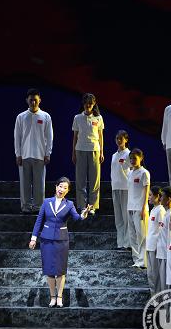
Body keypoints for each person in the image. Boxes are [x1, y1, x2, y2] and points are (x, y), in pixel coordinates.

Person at [29, 177, 92, 308]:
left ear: (67, 191)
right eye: (60, 186)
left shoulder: (69, 204)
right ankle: (52, 297)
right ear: (56, 187)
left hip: (61, 241)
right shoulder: (46, 202)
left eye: (65, 188)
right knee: (49, 270)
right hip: (46, 240)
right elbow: (39, 221)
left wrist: (84, 214)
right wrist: (33, 238)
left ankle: (59, 297)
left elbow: (77, 218)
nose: (62, 189)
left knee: (60, 270)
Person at [14, 88, 53, 213]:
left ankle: (38, 207)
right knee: (24, 184)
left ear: (39, 100)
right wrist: (18, 154)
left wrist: (48, 153)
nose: (33, 102)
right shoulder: (21, 117)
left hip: (40, 155)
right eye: (31, 100)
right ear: (27, 100)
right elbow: (17, 137)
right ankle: (25, 206)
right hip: (24, 155)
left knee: (39, 184)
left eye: (35, 100)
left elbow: (49, 136)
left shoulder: (45, 116)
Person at [72, 93, 104, 213]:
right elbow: (75, 137)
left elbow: (101, 136)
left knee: (95, 180)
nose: (88, 105)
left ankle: (92, 206)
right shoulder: (77, 118)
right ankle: (81, 205)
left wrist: (101, 152)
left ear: (94, 104)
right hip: (80, 150)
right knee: (80, 180)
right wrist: (73, 153)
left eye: (90, 103)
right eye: (86, 103)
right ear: (83, 104)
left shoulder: (98, 118)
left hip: (95, 150)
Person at [126, 148, 150, 268]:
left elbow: (146, 191)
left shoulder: (144, 173)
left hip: (140, 208)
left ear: (141, 158)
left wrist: (144, 208)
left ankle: (143, 261)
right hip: (130, 207)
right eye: (131, 158)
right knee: (132, 236)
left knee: (142, 236)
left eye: (134, 158)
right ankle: (136, 260)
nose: (132, 160)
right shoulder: (130, 173)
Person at [110, 130, 131, 250]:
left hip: (125, 188)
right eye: (117, 138)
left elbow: (132, 171)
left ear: (126, 140)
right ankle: (120, 243)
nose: (118, 141)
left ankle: (127, 243)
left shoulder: (128, 154)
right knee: (118, 218)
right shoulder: (114, 155)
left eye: (121, 138)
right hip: (115, 188)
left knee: (126, 216)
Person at [157, 187, 171, 293]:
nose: (160, 198)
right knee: (162, 285)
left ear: (168, 199)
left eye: (162, 196)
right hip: (162, 254)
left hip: (166, 256)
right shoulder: (167, 213)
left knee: (166, 287)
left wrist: (169, 257)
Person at [145, 186, 165, 295]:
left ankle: (158, 298)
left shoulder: (161, 210)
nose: (148, 197)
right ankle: (154, 296)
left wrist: (158, 246)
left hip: (155, 247)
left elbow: (162, 230)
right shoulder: (153, 209)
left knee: (156, 275)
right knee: (150, 274)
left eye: (150, 195)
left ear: (157, 196)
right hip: (149, 246)